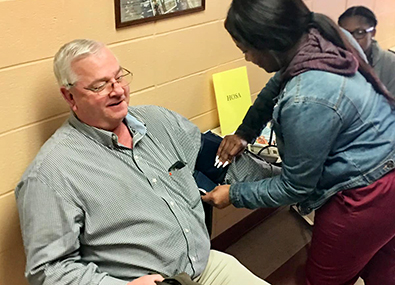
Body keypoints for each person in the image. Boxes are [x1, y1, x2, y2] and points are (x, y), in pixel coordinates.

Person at [15, 39, 277, 285]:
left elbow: (222, 163)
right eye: (100, 85)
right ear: (70, 97)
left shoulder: (159, 122)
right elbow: (48, 271)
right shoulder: (51, 174)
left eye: (118, 77)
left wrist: (293, 182)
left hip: (203, 265)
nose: (117, 91)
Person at [203, 0, 395, 284]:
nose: (247, 59)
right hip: (391, 164)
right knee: (385, 268)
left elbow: (296, 187)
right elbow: (275, 86)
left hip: (367, 194)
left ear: (271, 43)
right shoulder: (321, 37)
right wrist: (244, 133)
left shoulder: (305, 99)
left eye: (247, 50)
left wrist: (234, 194)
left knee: (323, 279)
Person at [338, 5, 395, 102]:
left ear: (372, 33)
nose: (352, 40)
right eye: (346, 33)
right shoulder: (333, 60)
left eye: (359, 33)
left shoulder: (391, 64)